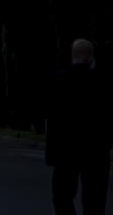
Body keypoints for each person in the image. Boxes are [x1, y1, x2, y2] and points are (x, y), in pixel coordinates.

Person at [46, 38, 111, 215]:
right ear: (90, 57)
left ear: (72, 55)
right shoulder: (102, 82)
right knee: (95, 199)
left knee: (62, 195)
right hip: (96, 149)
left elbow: (50, 116)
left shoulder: (56, 80)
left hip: (65, 148)